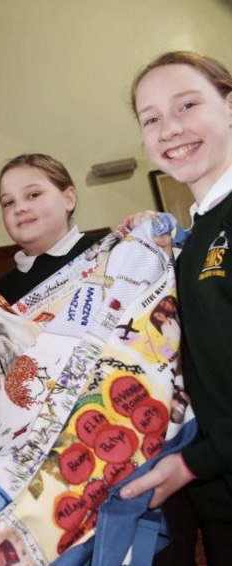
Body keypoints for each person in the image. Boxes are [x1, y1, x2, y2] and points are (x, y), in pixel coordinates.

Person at [118, 51, 232, 564]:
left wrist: (194, 463)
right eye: (152, 118)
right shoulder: (201, 231)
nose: (170, 128)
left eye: (187, 105)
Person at [0, 154, 104, 323]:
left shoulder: (110, 249)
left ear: (68, 199)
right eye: (8, 203)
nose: (19, 208)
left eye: (33, 194)